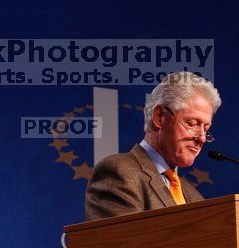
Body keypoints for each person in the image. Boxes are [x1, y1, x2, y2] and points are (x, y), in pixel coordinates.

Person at [85, 71, 221, 220]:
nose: (201, 138)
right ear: (159, 117)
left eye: (206, 129)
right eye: (192, 124)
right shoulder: (120, 172)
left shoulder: (195, 197)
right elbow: (120, 242)